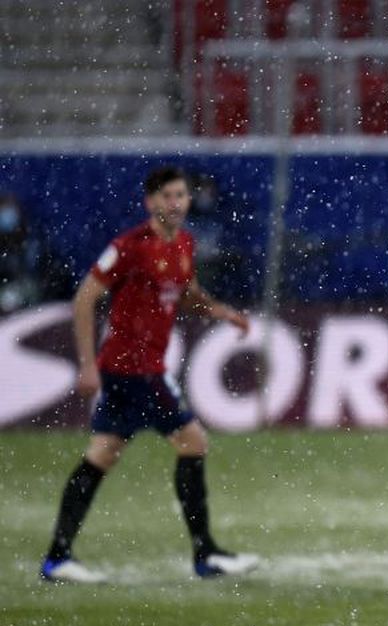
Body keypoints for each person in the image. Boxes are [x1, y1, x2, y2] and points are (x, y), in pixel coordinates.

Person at [39, 166, 260, 584]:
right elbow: (84, 299)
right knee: (193, 442)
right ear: (151, 202)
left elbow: (185, 295)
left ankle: (57, 557)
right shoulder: (129, 247)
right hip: (132, 368)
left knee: (102, 453)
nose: (175, 203)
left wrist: (220, 310)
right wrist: (87, 363)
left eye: (181, 195)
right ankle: (205, 554)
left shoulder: (185, 245)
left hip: (138, 368)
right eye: (167, 196)